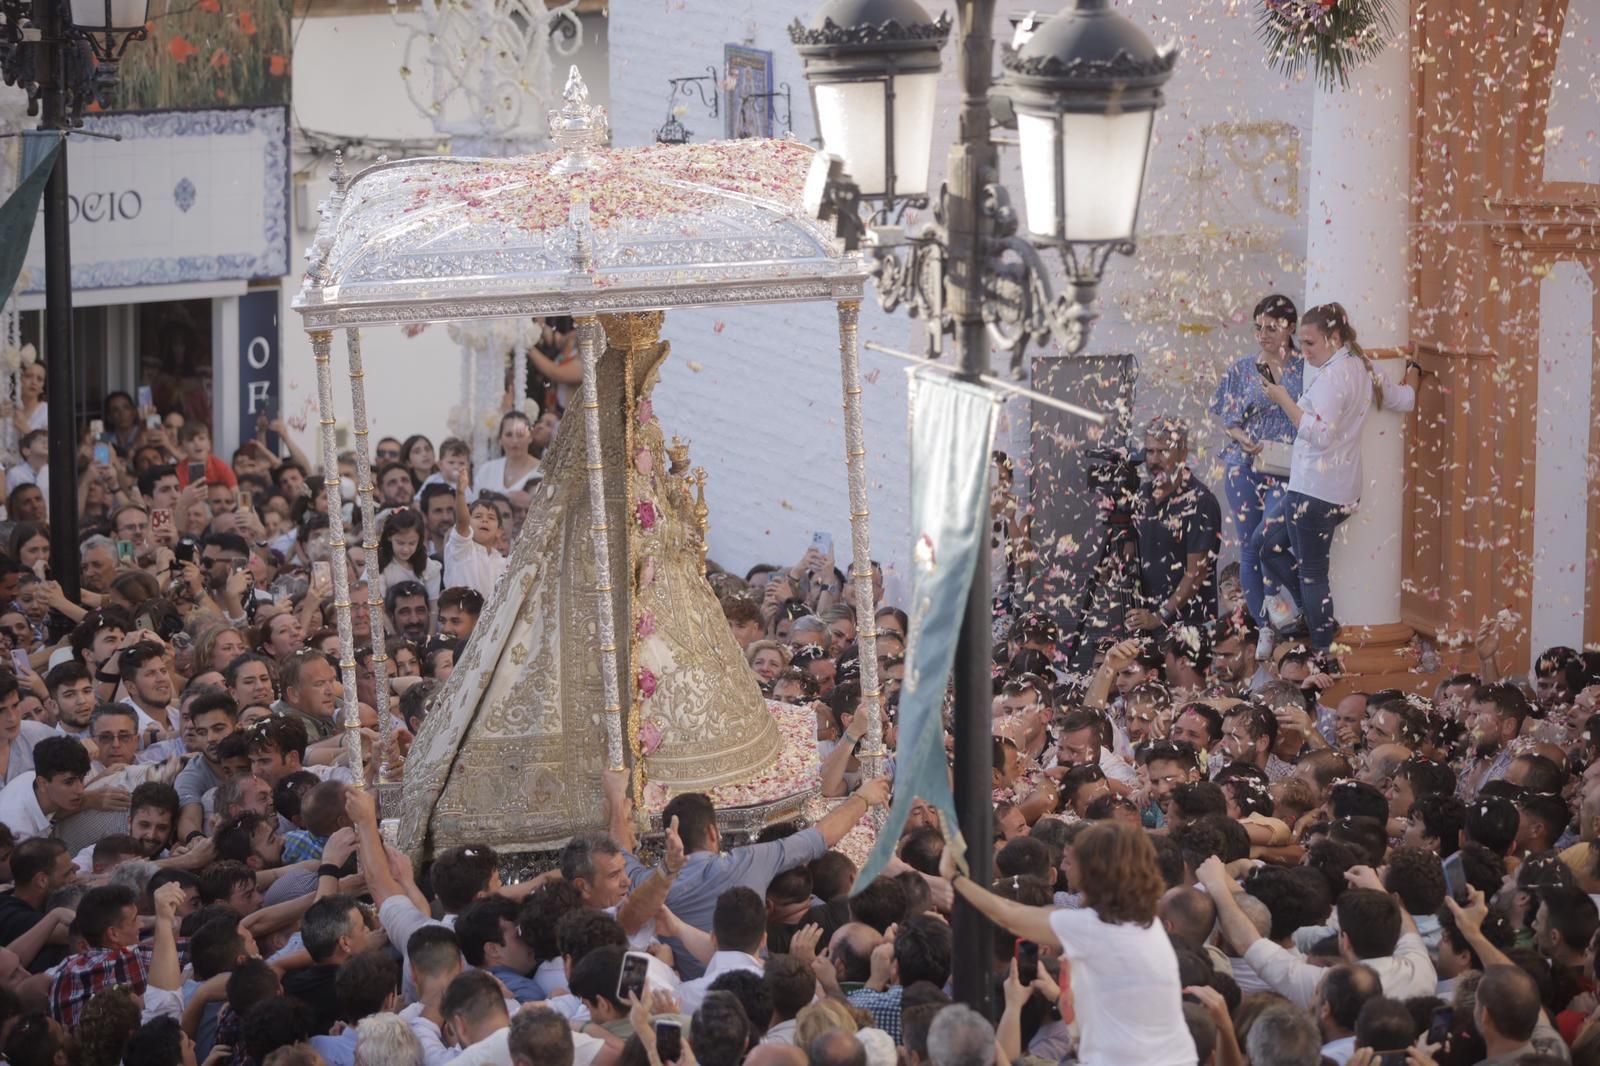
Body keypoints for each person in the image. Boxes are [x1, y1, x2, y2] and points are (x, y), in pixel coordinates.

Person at [942, 821, 1198, 1065]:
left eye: (1071, 861)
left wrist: (953, 877)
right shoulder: (1141, 921)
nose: (1064, 868)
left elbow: (1008, 915)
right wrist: (1057, 994)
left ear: (1094, 872)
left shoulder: (1093, 928)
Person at [1258, 303, 1418, 651]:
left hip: (1316, 493)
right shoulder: (1361, 365)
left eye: (1311, 343)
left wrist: (1284, 398)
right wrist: (1415, 370)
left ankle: (1321, 649)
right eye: (1301, 342)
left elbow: (1320, 434)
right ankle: (1315, 621)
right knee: (1265, 544)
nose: (1304, 351)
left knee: (1312, 575)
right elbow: (1404, 399)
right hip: (1331, 490)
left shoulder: (1333, 378)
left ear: (1333, 338)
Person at [1210, 294, 1304, 633]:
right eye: (1259, 328)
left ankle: (1289, 608)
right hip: (1245, 461)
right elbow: (1226, 417)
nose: (1264, 334)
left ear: (1290, 327)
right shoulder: (1242, 368)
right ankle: (1265, 623)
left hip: (1286, 464)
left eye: (1272, 327)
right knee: (1248, 543)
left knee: (1269, 540)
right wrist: (1240, 438)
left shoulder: (1305, 368)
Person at [1128, 417, 1222, 633]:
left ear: (1183, 453)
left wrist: (1160, 616)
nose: (1154, 460)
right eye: (1150, 452)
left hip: (1187, 630)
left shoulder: (1200, 501)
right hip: (1144, 622)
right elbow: (1134, 553)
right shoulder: (1143, 495)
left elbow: (1196, 573)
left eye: (1163, 452)